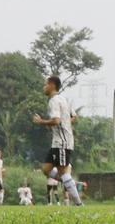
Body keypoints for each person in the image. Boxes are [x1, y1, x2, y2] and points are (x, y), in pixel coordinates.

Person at [32, 75, 83, 206]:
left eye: (45, 84)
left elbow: (56, 120)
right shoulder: (63, 100)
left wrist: (41, 121)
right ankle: (70, 182)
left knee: (62, 172)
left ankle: (78, 203)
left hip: (62, 142)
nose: (44, 87)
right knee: (46, 170)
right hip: (58, 142)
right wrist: (65, 124)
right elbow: (74, 116)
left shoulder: (54, 101)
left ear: (52, 85)